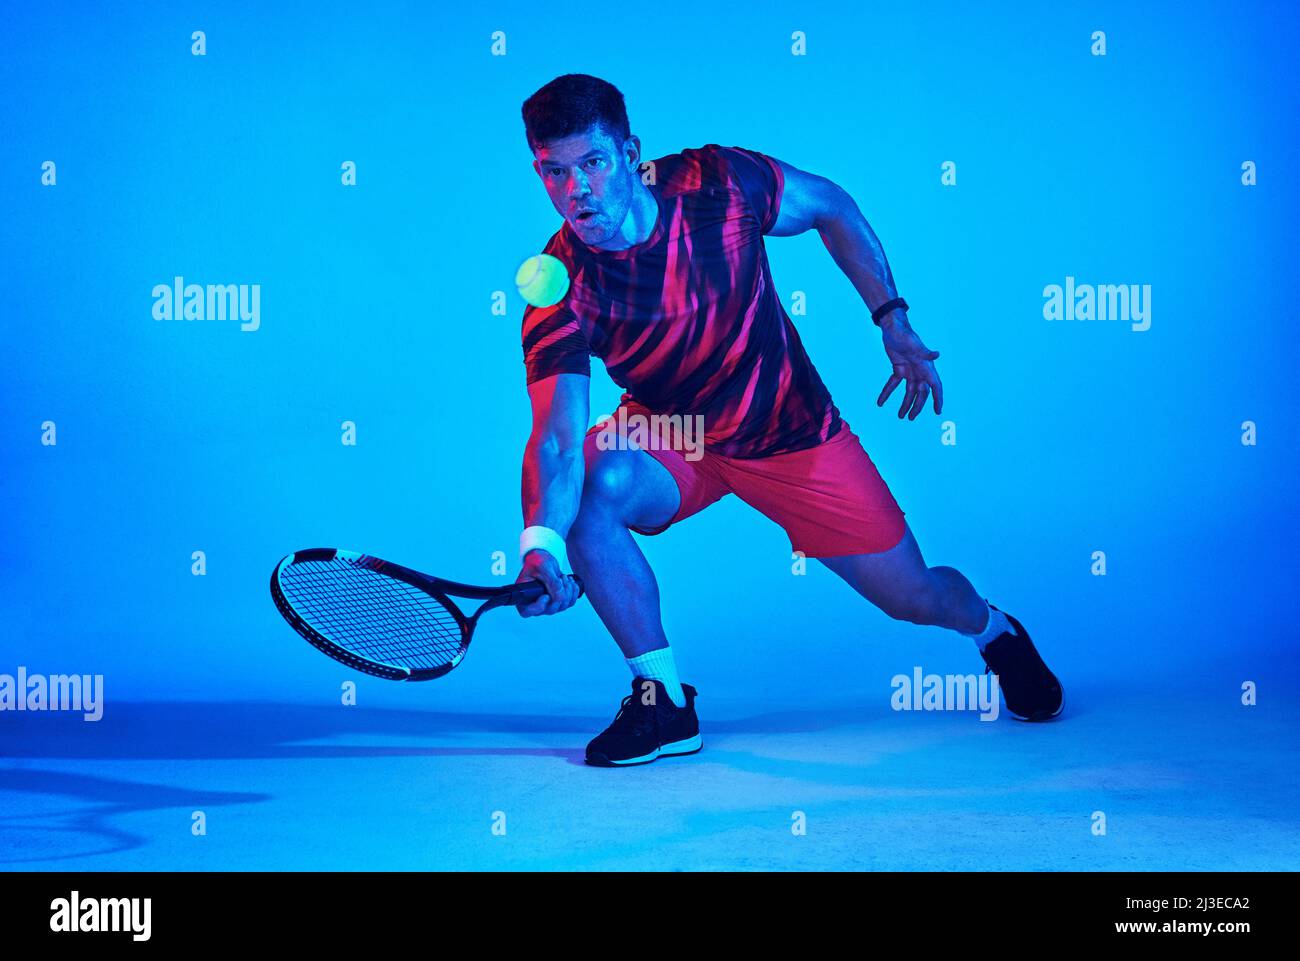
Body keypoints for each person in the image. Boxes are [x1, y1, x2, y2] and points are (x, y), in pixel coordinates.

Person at [514, 74, 1063, 767]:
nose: (577, 191)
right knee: (595, 482)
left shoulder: (716, 184)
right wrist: (543, 544)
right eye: (554, 172)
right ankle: (663, 700)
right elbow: (559, 438)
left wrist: (890, 317)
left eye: (592, 163)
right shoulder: (557, 287)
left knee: (914, 595)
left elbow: (831, 205)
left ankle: (993, 628)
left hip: (790, 433)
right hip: (674, 437)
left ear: (629, 152)